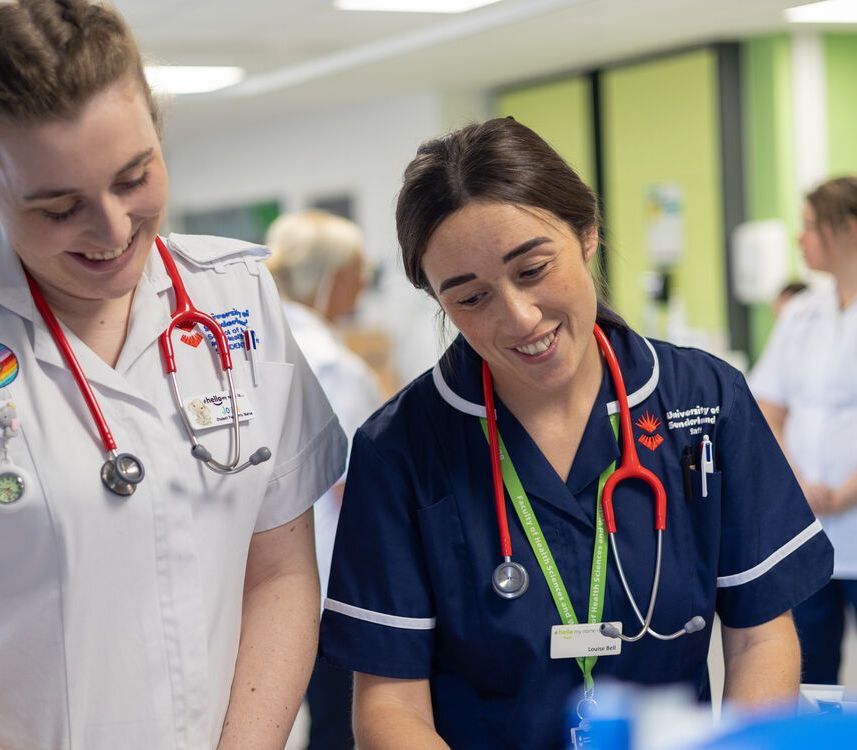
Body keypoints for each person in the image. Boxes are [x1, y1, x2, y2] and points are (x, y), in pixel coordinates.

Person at [0, 2, 346, 749]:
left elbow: (277, 567)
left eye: (134, 176)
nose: (114, 231)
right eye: (59, 208)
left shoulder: (234, 297)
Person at [316, 117, 835, 750]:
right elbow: (389, 704)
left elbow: (760, 636)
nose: (519, 317)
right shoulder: (400, 449)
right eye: (471, 299)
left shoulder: (703, 401)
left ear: (586, 232)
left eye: (532, 270)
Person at [266, 210, 383, 750]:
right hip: (325, 581)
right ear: (333, 276)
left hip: (264, 577)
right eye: (358, 269)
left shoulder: (259, 344)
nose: (364, 280)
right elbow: (356, 490)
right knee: (336, 728)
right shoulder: (334, 366)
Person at [751, 176, 857, 686]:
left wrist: (847, 490)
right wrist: (801, 482)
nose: (801, 238)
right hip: (809, 525)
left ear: (849, 229)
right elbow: (768, 408)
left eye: (811, 226)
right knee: (813, 679)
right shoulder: (800, 314)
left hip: (852, 510)